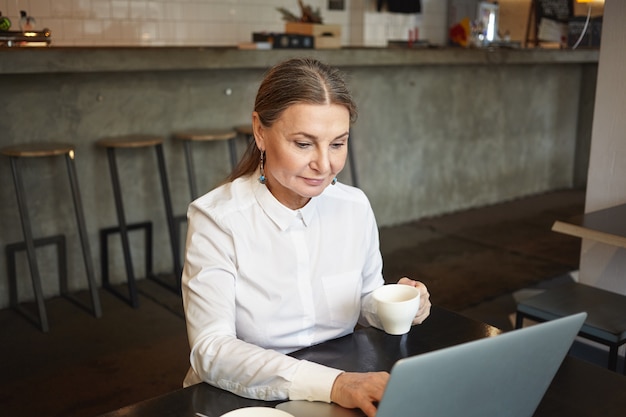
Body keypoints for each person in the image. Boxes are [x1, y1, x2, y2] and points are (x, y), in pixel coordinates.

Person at [181, 57, 431, 417]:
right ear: (260, 131)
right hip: (242, 401)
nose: (324, 165)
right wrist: (335, 384)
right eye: (303, 143)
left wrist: (399, 306)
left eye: (337, 144)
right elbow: (212, 350)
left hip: (341, 385)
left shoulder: (353, 206)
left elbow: (363, 298)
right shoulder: (218, 219)